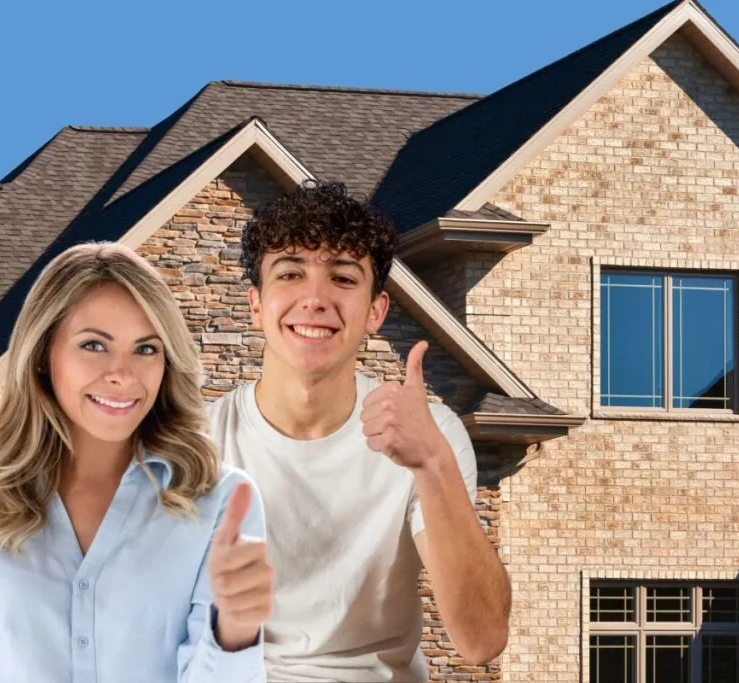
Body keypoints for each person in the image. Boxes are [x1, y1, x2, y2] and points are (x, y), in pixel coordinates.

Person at [0, 242, 272, 683]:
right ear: (44, 355)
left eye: (146, 349)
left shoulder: (221, 504)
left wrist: (235, 634)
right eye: (94, 345)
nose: (122, 374)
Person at [207, 180, 512, 682]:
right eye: (289, 273)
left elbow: (481, 640)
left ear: (376, 312)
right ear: (256, 306)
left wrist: (431, 464)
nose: (315, 299)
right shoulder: (196, 444)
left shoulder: (429, 432)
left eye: (343, 279)